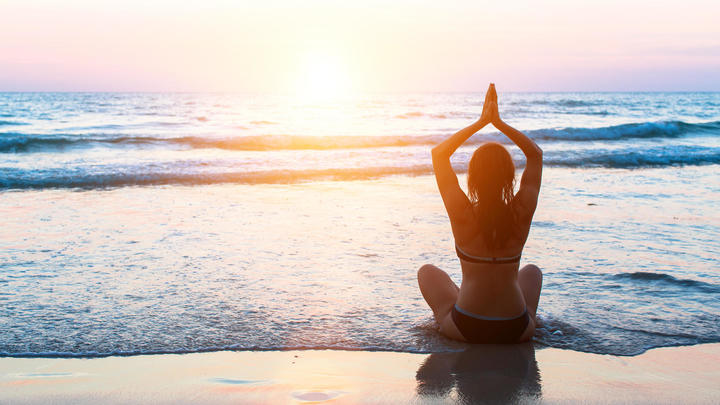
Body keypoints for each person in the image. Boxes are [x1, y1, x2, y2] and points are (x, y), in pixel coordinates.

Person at [418, 83, 543, 343]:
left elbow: (439, 155)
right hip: (516, 329)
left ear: (472, 178)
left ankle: (451, 310)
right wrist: (499, 123)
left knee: (427, 273)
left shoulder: (462, 213)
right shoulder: (521, 212)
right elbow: (535, 155)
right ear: (510, 178)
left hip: (467, 327)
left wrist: (480, 122)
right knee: (532, 272)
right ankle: (528, 315)